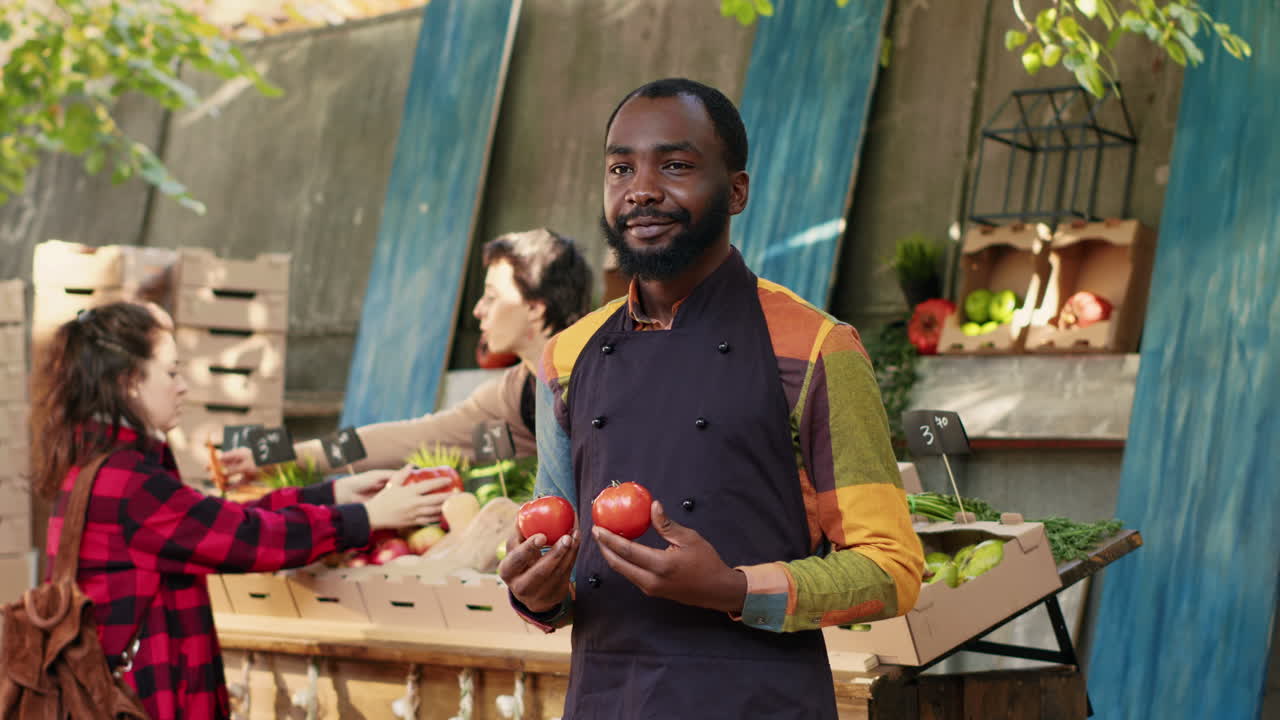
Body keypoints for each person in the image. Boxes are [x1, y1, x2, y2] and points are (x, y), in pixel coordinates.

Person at [498, 78, 925, 719]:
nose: (640, 188)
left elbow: (891, 569)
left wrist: (732, 587)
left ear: (736, 190)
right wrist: (537, 593)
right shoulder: (565, 357)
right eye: (620, 168)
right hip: (606, 702)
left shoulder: (816, 347)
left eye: (675, 165)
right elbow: (562, 552)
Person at [29, 302, 447, 720]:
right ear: (130, 382)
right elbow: (246, 538)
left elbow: (213, 521)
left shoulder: (98, 462)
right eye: (171, 372)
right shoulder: (128, 482)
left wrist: (334, 495)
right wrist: (366, 519)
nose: (182, 387)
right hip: (143, 701)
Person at [218, 229, 592, 480]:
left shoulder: (599, 375)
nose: (478, 310)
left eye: (491, 298)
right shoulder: (516, 395)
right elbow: (408, 439)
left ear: (535, 307)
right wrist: (279, 453)